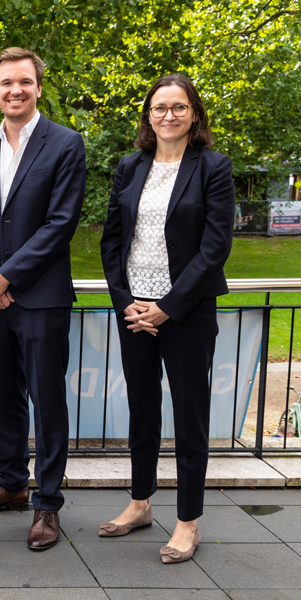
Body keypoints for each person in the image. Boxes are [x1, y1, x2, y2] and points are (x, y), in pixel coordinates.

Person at [99, 73, 234, 563]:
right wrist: (125, 301)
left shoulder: (213, 167)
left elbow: (216, 246)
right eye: (160, 108)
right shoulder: (130, 166)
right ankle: (139, 503)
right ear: (148, 116)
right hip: (135, 308)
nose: (169, 116)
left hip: (186, 311)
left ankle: (187, 522)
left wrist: (168, 307)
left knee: (190, 415)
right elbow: (112, 240)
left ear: (194, 114)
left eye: (179, 107)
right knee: (142, 410)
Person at [0, 47, 86, 550]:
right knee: (4, 395)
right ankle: (11, 484)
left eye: (24, 82)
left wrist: (6, 277)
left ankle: (47, 504)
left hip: (41, 298)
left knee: (47, 401)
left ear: (38, 87)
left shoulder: (65, 143)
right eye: (6, 83)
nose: (15, 90)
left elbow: (61, 224)